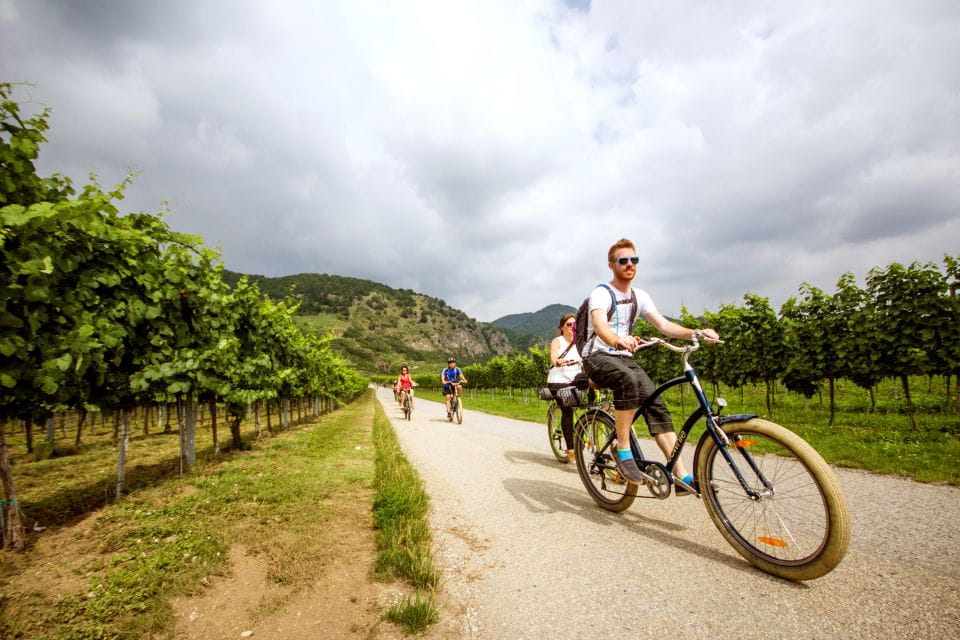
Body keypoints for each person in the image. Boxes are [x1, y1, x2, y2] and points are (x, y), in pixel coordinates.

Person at [581, 238, 720, 494]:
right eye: (623, 260)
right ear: (611, 265)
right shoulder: (601, 293)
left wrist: (696, 333)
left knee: (656, 404)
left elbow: (665, 326)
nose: (630, 264)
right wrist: (617, 339)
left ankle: (681, 475)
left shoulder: (640, 296)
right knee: (628, 380)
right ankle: (623, 450)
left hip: (623, 357)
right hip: (597, 356)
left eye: (634, 260)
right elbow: (600, 326)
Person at [547, 313, 584, 463]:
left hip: (576, 380)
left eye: (575, 325)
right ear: (562, 327)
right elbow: (553, 355)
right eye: (569, 324)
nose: (572, 327)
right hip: (558, 380)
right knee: (567, 409)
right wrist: (557, 361)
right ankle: (570, 448)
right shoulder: (558, 341)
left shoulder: (580, 342)